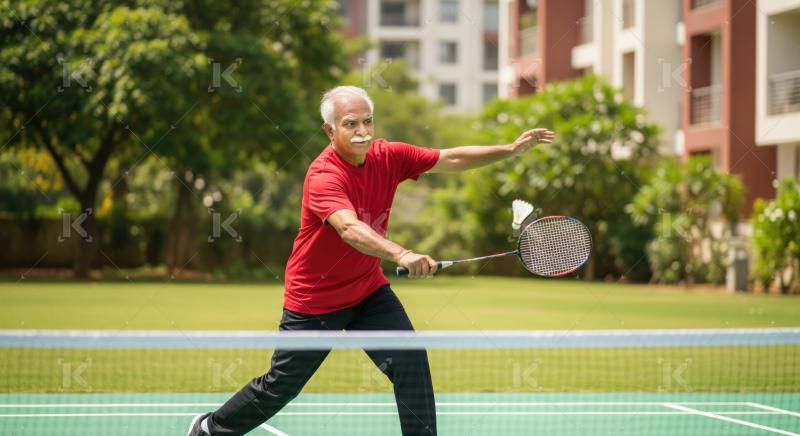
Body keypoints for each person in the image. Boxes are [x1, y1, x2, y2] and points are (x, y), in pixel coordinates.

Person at [187, 86, 554, 436]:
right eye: (350, 124)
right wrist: (401, 253)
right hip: (316, 300)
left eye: (367, 121)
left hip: (366, 291)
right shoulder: (324, 175)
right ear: (330, 130)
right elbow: (349, 228)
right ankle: (210, 429)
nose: (362, 131)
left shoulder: (388, 156)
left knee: (410, 361)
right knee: (281, 387)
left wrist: (510, 149)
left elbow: (451, 157)